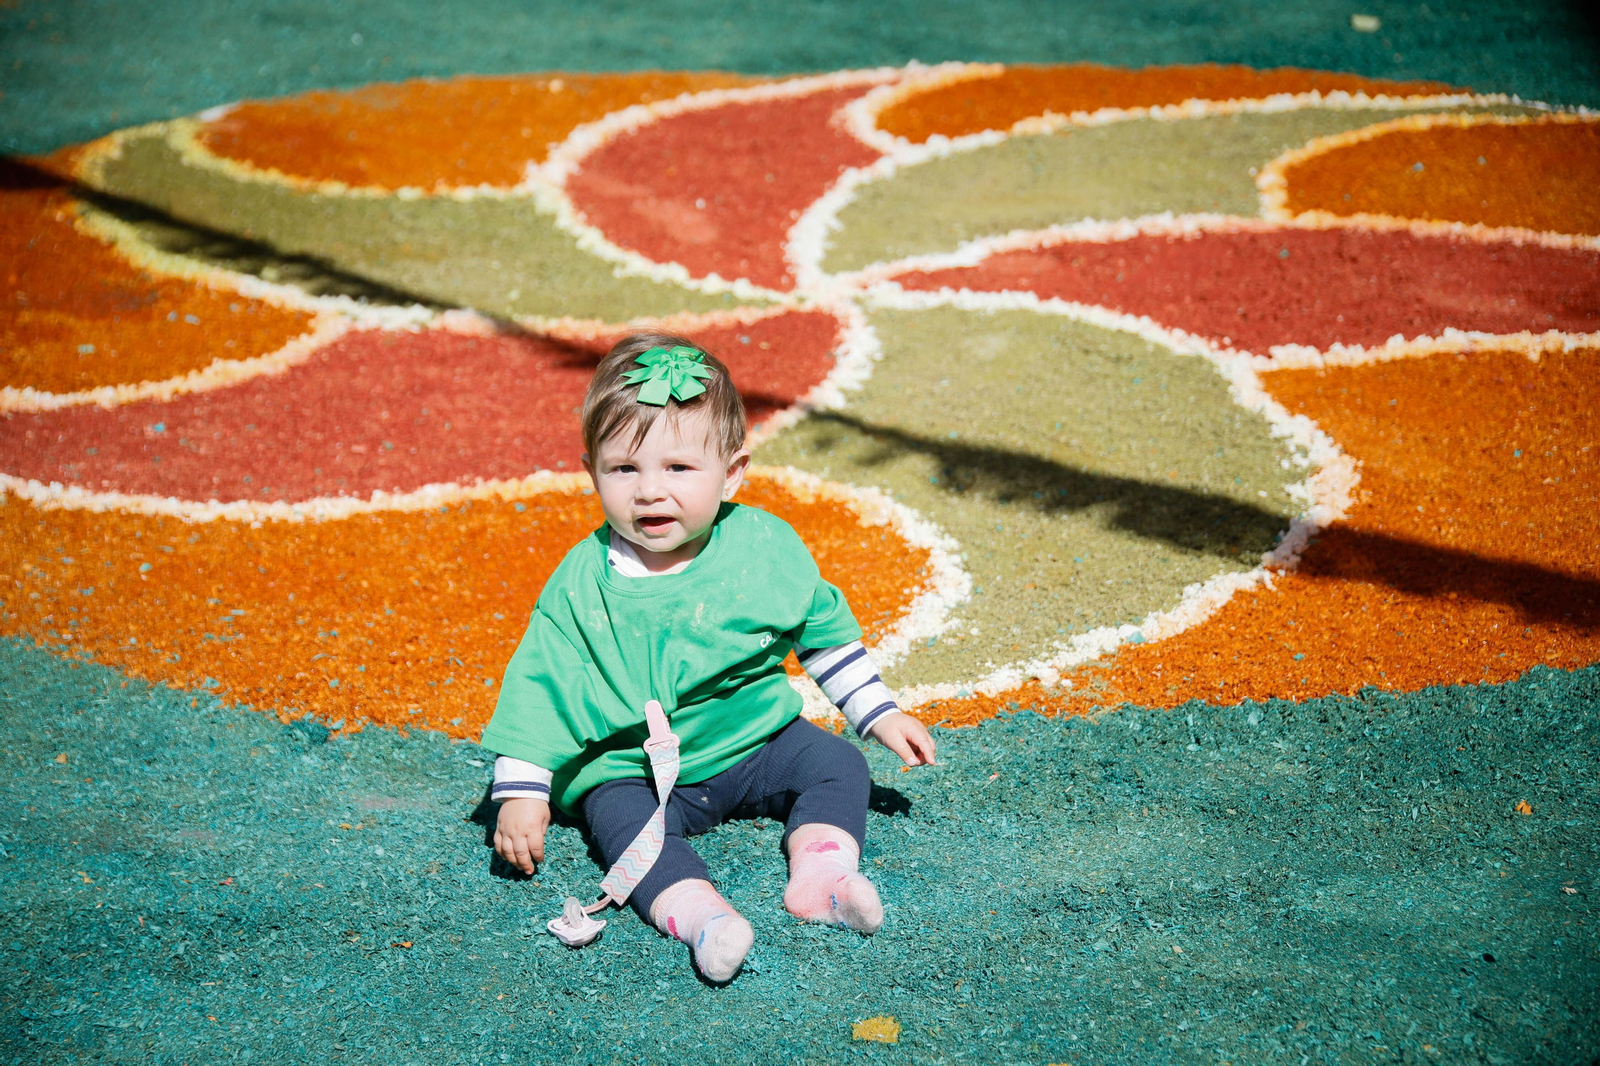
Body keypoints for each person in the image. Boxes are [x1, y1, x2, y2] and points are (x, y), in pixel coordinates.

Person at [481, 332, 936, 982]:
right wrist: (523, 792)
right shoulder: (584, 584)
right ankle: (703, 919)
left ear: (734, 472)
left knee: (836, 763)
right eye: (624, 469)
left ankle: (822, 875)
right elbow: (541, 685)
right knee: (626, 832)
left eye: (678, 468)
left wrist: (878, 712)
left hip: (753, 740)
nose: (649, 492)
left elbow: (820, 629)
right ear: (591, 472)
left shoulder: (762, 546)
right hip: (633, 770)